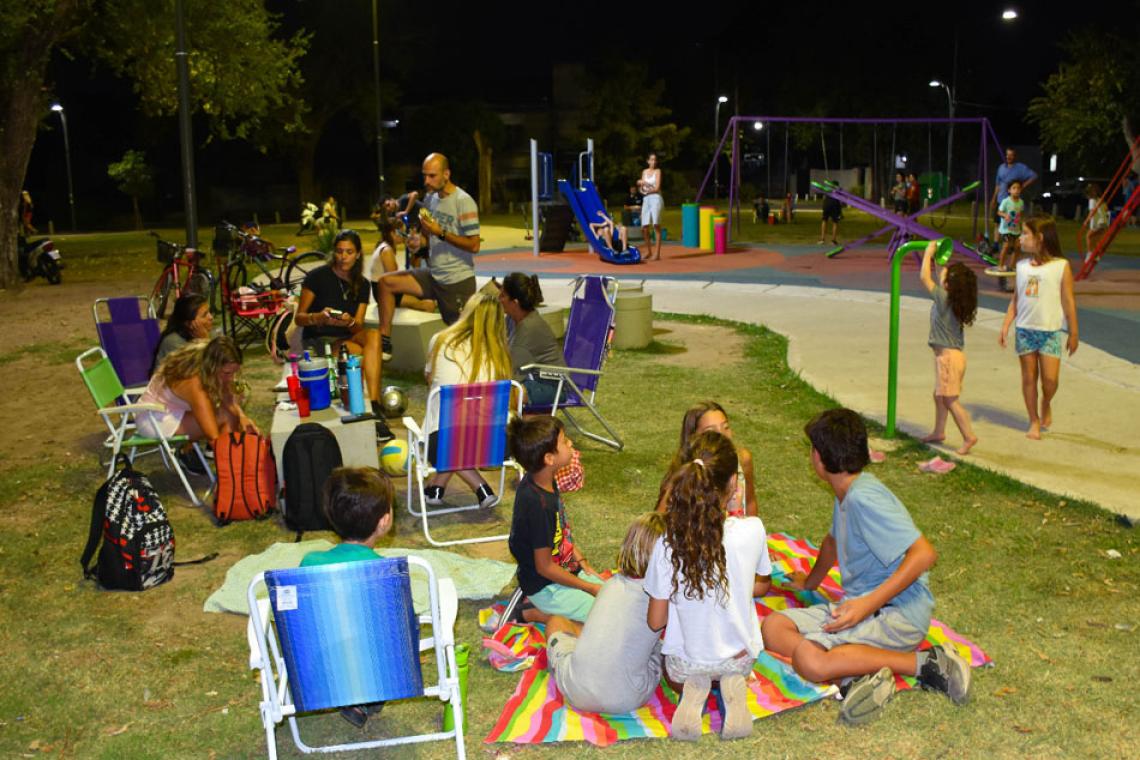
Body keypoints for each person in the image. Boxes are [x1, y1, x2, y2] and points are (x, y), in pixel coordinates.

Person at [761, 409, 970, 727]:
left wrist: (865, 605)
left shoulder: (864, 499)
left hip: (896, 615)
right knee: (773, 627)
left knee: (807, 659)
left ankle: (928, 663)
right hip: (864, 607)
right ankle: (854, 675)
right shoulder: (847, 491)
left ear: (819, 457)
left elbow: (924, 554)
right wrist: (810, 583)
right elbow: (832, 541)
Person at [645, 431, 772, 741]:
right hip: (740, 659)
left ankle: (693, 689)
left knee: (664, 660)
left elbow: (655, 621)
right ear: (733, 484)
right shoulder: (753, 530)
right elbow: (763, 585)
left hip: (685, 665)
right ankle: (730, 683)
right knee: (732, 663)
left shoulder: (666, 543)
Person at [300, 466, 395, 729]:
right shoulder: (386, 571)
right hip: (375, 669)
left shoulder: (310, 563)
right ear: (384, 522)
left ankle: (352, 694)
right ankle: (366, 693)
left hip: (324, 667)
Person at [545, 513, 667, 714]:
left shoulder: (610, 584)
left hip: (575, 690)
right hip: (627, 697)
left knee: (556, 622)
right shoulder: (663, 597)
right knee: (662, 648)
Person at [377, 153, 481, 361]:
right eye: (424, 175)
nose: (426, 181)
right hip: (433, 275)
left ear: (446, 174)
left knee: (464, 346)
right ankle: (385, 343)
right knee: (385, 283)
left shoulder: (464, 201)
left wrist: (440, 232)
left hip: (457, 281)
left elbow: (474, 245)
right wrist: (418, 243)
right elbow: (427, 237)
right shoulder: (430, 200)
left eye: (432, 176)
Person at [506, 415, 603, 625]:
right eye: (564, 441)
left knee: (612, 599)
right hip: (546, 587)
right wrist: (588, 587)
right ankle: (530, 613)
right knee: (604, 618)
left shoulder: (544, 480)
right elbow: (544, 567)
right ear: (549, 459)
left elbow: (560, 533)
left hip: (563, 570)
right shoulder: (538, 505)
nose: (571, 443)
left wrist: (581, 562)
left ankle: (551, 607)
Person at [294, 229, 391, 439]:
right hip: (320, 340)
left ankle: (374, 404)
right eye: (339, 251)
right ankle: (371, 413)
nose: (343, 257)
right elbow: (299, 318)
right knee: (360, 358)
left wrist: (349, 321)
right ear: (334, 252)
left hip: (346, 336)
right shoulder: (317, 277)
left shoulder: (362, 284)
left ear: (358, 254)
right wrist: (318, 317)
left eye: (349, 252)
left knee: (374, 336)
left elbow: (358, 326)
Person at [422, 291, 513, 508]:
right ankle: (438, 488)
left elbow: (429, 378)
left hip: (443, 444)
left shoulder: (441, 340)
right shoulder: (500, 354)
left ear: (467, 312)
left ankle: (480, 487)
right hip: (495, 444)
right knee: (461, 433)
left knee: (453, 433)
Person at [999, 215, 1079, 440]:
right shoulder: (1021, 266)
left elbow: (1068, 301)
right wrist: (1006, 325)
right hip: (1025, 330)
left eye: (1025, 233)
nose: (1020, 238)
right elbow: (1016, 299)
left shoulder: (1061, 266)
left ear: (1040, 238)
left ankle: (1046, 401)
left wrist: (1073, 332)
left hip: (1050, 332)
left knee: (1050, 381)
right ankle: (1033, 419)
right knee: (1029, 378)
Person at [137, 336, 257, 472]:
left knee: (229, 414)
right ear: (213, 367)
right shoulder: (194, 383)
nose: (231, 378)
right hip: (153, 418)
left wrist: (242, 417)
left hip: (172, 409)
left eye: (234, 372)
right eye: (227, 373)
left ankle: (230, 469)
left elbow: (228, 400)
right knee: (225, 417)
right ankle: (231, 473)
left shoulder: (208, 356)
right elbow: (213, 437)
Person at [918, 242, 978, 455]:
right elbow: (939, 274)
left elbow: (924, 278)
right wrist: (938, 260)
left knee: (950, 400)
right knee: (940, 395)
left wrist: (928, 254)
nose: (941, 274)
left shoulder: (943, 298)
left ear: (948, 285)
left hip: (948, 359)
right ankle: (939, 431)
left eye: (945, 275)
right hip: (953, 358)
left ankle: (968, 436)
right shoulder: (954, 299)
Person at [657, 401, 757, 517]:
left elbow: (750, 502)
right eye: (711, 431)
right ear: (693, 438)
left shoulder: (743, 459)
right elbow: (659, 521)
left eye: (726, 427)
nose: (723, 435)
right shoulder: (682, 477)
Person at [497, 272, 563, 405]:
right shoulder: (513, 319)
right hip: (532, 380)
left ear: (515, 302)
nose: (498, 298)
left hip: (552, 388)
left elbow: (511, 373)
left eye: (503, 295)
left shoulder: (528, 329)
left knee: (500, 393)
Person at [152, 293, 213, 372]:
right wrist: (205, 341)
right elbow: (205, 370)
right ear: (189, 323)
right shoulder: (174, 342)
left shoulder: (200, 335)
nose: (211, 317)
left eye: (209, 312)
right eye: (204, 315)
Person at [990, 148, 1037, 229]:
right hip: (1000, 200)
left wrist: (1023, 186)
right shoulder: (1001, 167)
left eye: (1011, 155)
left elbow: (1034, 176)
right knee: (997, 224)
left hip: (1013, 202)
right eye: (1007, 155)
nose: (1008, 157)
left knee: (1011, 225)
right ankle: (997, 238)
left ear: (1015, 156)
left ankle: (1010, 236)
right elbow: (998, 185)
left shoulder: (1020, 168)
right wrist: (994, 198)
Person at [638, 153, 663, 260]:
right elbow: (641, 188)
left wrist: (645, 185)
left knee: (656, 225)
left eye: (655, 160)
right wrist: (641, 187)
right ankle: (648, 251)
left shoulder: (658, 171)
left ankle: (657, 253)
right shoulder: (644, 172)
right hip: (646, 199)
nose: (653, 162)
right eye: (651, 160)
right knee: (644, 227)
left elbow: (657, 188)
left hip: (656, 198)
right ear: (648, 161)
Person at [996, 179, 1025, 271]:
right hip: (1006, 230)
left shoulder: (1021, 202)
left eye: (1018, 188)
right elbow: (999, 212)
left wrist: (1022, 224)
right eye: (1014, 188)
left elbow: (1020, 214)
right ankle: (1000, 265)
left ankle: (1012, 266)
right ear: (1009, 190)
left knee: (1018, 247)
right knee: (1006, 246)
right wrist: (1005, 215)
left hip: (1016, 230)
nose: (1016, 190)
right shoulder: (1006, 201)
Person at [1084, 183, 1109, 256]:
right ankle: (1096, 254)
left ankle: (1089, 253)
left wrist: (1086, 221)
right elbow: (1106, 210)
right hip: (1104, 221)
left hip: (1099, 222)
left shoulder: (1092, 200)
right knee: (1096, 239)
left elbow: (1092, 212)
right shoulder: (1101, 200)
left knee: (1088, 236)